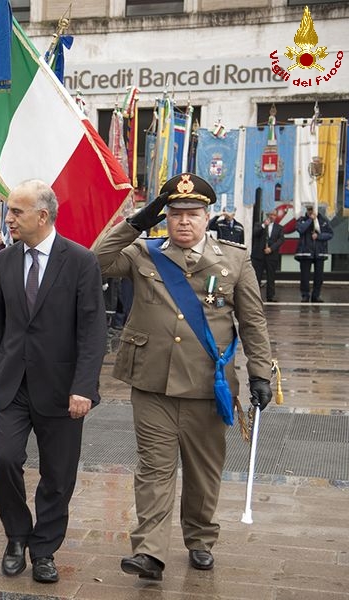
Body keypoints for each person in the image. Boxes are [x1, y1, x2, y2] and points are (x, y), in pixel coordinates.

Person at [94, 172, 273, 582]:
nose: (184, 221)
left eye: (192, 213)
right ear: (166, 217)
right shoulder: (144, 253)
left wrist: (260, 373)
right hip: (152, 381)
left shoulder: (234, 259)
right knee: (154, 468)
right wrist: (137, 221)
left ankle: (199, 538)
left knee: (202, 471)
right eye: (175, 213)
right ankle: (150, 553)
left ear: (207, 216)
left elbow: (253, 322)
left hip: (208, 385)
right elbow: (97, 260)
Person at [0, 179, 107, 584]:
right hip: (12, 382)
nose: (7, 218)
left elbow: (92, 331)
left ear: (42, 216)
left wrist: (84, 386)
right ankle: (17, 536)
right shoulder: (7, 260)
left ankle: (45, 549)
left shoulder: (81, 261)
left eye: (16, 211)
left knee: (58, 473)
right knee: (5, 461)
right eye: (8, 211)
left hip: (63, 388)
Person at [294, 204, 333, 303]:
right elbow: (300, 229)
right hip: (305, 252)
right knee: (305, 276)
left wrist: (319, 236)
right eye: (309, 209)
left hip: (319, 252)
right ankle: (305, 295)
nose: (311, 211)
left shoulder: (323, 220)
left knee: (319, 277)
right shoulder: (302, 219)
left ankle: (316, 295)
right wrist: (310, 220)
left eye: (312, 209)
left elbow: (330, 233)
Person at [251, 209, 284, 302]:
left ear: (276, 216)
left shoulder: (279, 227)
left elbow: (281, 240)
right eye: (270, 214)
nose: (272, 216)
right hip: (259, 256)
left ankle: (270, 296)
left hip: (271, 256)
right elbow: (254, 233)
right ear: (267, 215)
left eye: (274, 215)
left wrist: (271, 248)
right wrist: (263, 225)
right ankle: (255, 296)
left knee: (271, 277)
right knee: (257, 276)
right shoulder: (259, 224)